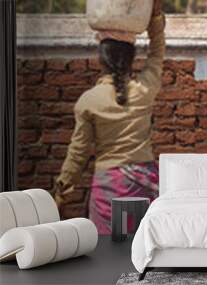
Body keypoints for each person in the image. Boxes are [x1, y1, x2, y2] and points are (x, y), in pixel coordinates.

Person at [55, 0, 165, 234]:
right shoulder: (144, 90)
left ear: (101, 59)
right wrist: (155, 18)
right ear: (132, 58)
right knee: (141, 252)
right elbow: (157, 53)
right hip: (144, 186)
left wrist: (62, 191)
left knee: (108, 253)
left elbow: (78, 153)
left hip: (109, 188)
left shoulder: (89, 101)